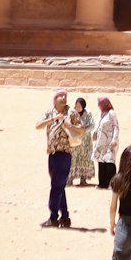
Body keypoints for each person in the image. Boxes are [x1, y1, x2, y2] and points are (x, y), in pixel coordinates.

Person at [36, 89, 82, 228]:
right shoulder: (50, 112)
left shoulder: (71, 113)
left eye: (65, 96)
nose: (64, 98)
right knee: (59, 186)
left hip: (64, 154)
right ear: (55, 99)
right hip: (52, 154)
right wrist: (53, 119)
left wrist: (69, 125)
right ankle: (65, 217)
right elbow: (38, 125)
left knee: (56, 186)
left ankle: (53, 217)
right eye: (61, 96)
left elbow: (82, 130)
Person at [94, 96, 120, 190]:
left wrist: (114, 139)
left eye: (100, 104)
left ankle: (112, 184)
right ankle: (102, 183)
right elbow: (98, 125)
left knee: (109, 162)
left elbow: (116, 127)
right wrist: (95, 133)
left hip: (109, 142)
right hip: (101, 141)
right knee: (101, 162)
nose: (99, 106)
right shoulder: (102, 114)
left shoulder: (111, 113)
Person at [71, 96, 95, 186]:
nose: (77, 108)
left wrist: (84, 130)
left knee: (85, 159)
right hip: (75, 140)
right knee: (74, 159)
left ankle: (83, 179)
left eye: (79, 106)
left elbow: (92, 125)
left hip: (86, 142)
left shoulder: (88, 113)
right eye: (76, 106)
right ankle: (70, 179)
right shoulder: (72, 113)